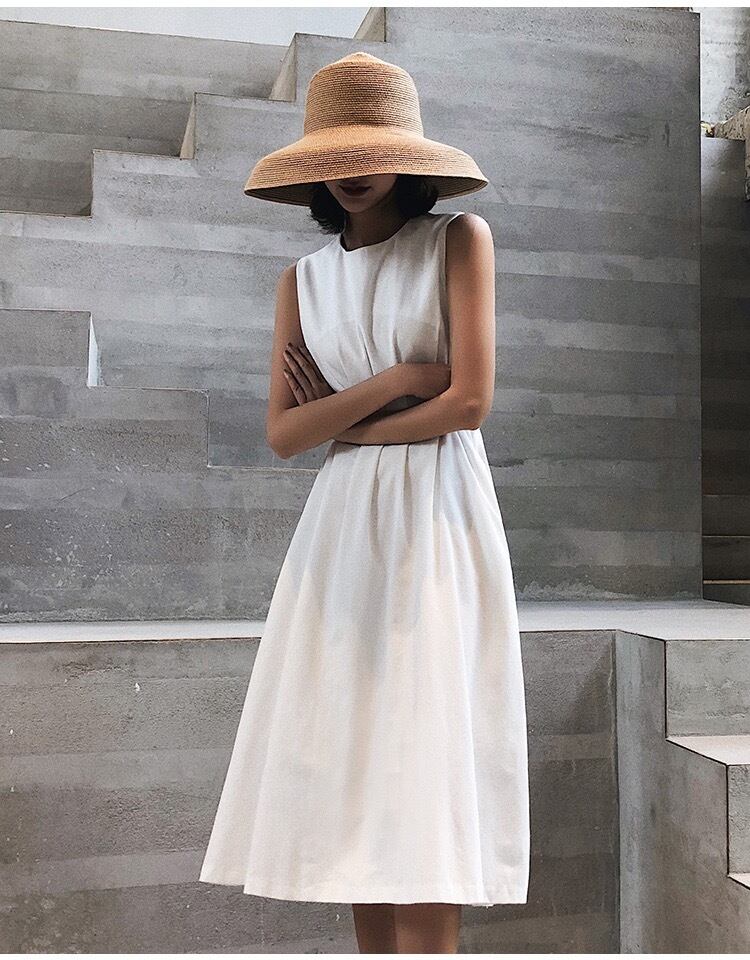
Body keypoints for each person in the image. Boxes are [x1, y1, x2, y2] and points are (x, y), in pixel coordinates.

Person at [199, 51, 530, 954]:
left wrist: (345, 424)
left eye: (371, 152)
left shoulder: (458, 240)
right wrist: (396, 381)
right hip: (343, 528)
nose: (352, 172)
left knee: (424, 757)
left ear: (406, 157)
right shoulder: (302, 281)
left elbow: (469, 404)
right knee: (352, 759)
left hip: (435, 512)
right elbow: (283, 434)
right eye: (335, 157)